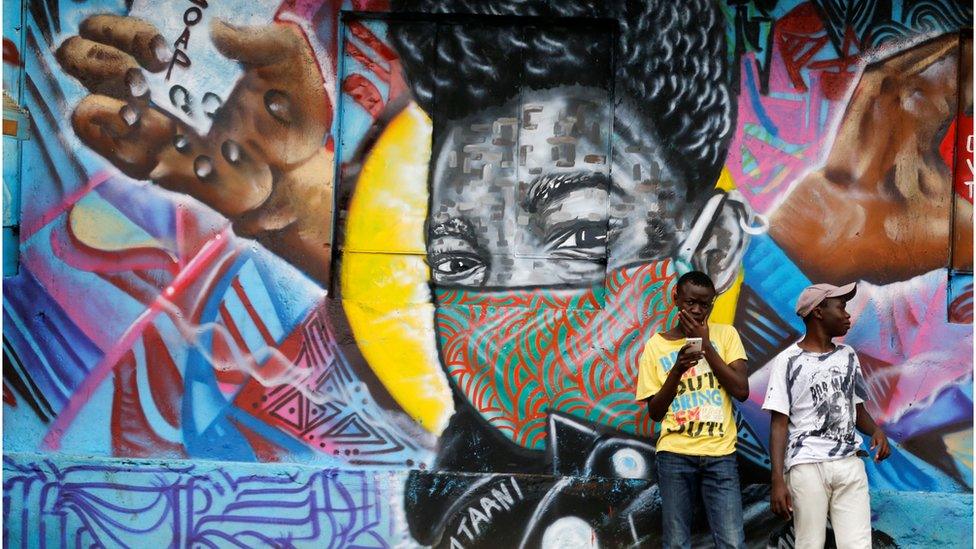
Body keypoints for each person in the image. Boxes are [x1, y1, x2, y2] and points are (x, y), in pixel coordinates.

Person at [763, 282, 891, 549]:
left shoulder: (848, 356)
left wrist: (876, 430)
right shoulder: (788, 361)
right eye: (841, 307)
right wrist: (777, 480)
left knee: (858, 544)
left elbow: (856, 410)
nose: (847, 315)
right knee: (809, 543)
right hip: (807, 467)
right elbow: (779, 423)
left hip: (849, 464)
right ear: (819, 312)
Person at [636, 270, 750, 549]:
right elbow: (655, 412)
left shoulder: (726, 336)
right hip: (675, 454)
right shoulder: (657, 346)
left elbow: (741, 390)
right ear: (676, 298)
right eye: (690, 303)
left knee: (733, 542)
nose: (697, 310)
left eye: (705, 304)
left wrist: (706, 345)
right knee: (676, 542)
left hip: (720, 454)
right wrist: (677, 368)